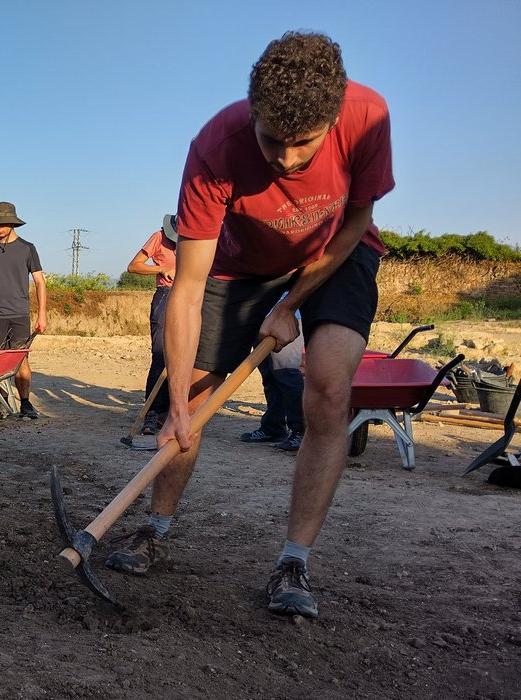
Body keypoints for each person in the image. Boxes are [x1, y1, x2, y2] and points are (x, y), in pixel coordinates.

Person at [106, 31, 394, 621]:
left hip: (338, 253)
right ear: (252, 111)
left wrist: (292, 302)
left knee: (329, 390)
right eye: (271, 141)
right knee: (192, 394)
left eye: (304, 146)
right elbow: (186, 288)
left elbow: (358, 214)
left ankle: (294, 560)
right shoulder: (216, 147)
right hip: (239, 267)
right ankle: (155, 527)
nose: (286, 161)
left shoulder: (367, 116)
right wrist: (178, 404)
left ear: (334, 116)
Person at [0, 202, 47, 419]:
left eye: (1, 224)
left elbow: (40, 281)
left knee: (20, 361)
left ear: (12, 223)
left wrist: (42, 313)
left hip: (19, 314)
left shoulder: (28, 248)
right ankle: (4, 404)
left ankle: (25, 403)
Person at [124, 214, 178, 449]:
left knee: (188, 357)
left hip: (195, 297)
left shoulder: (199, 240)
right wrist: (161, 268)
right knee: (161, 355)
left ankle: (177, 412)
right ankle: (154, 413)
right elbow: (133, 266)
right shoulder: (159, 237)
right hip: (166, 296)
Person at [240, 330, 306, 451]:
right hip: (260, 317)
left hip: (287, 318)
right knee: (270, 376)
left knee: (287, 374)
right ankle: (273, 428)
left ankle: (301, 431)